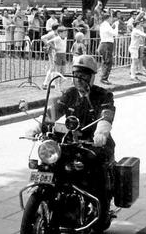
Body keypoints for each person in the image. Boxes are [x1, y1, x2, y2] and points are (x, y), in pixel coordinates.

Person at [25, 55, 116, 231]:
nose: (79, 80)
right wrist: (37, 128)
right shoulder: (69, 94)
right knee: (49, 165)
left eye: (83, 76)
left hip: (93, 144)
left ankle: (102, 213)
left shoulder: (103, 95)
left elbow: (106, 116)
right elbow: (53, 113)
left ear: (91, 77)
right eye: (76, 75)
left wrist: (101, 133)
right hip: (68, 142)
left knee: (97, 172)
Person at [98, 13, 119, 84]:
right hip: (107, 44)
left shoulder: (104, 25)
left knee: (105, 61)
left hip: (105, 43)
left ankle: (104, 77)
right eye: (110, 18)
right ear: (108, 18)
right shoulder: (106, 25)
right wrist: (116, 26)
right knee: (108, 62)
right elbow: (115, 33)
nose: (111, 19)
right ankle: (104, 78)